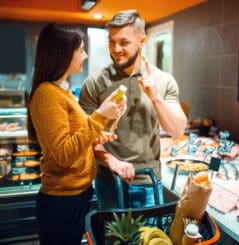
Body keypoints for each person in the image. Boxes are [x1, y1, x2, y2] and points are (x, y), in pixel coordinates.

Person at [27, 23, 127, 245]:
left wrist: (98, 135)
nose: (86, 55)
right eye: (81, 50)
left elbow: (74, 138)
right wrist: (100, 116)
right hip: (61, 201)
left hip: (76, 195)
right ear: (63, 54)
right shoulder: (46, 94)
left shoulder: (62, 89)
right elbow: (63, 153)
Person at [79, 9, 187, 209]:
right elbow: (82, 137)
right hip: (109, 182)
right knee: (113, 240)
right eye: (111, 41)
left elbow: (177, 130)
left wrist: (155, 96)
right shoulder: (94, 82)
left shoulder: (163, 81)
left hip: (149, 183)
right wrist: (110, 160)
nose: (116, 49)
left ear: (142, 40)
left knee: (151, 239)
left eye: (124, 42)